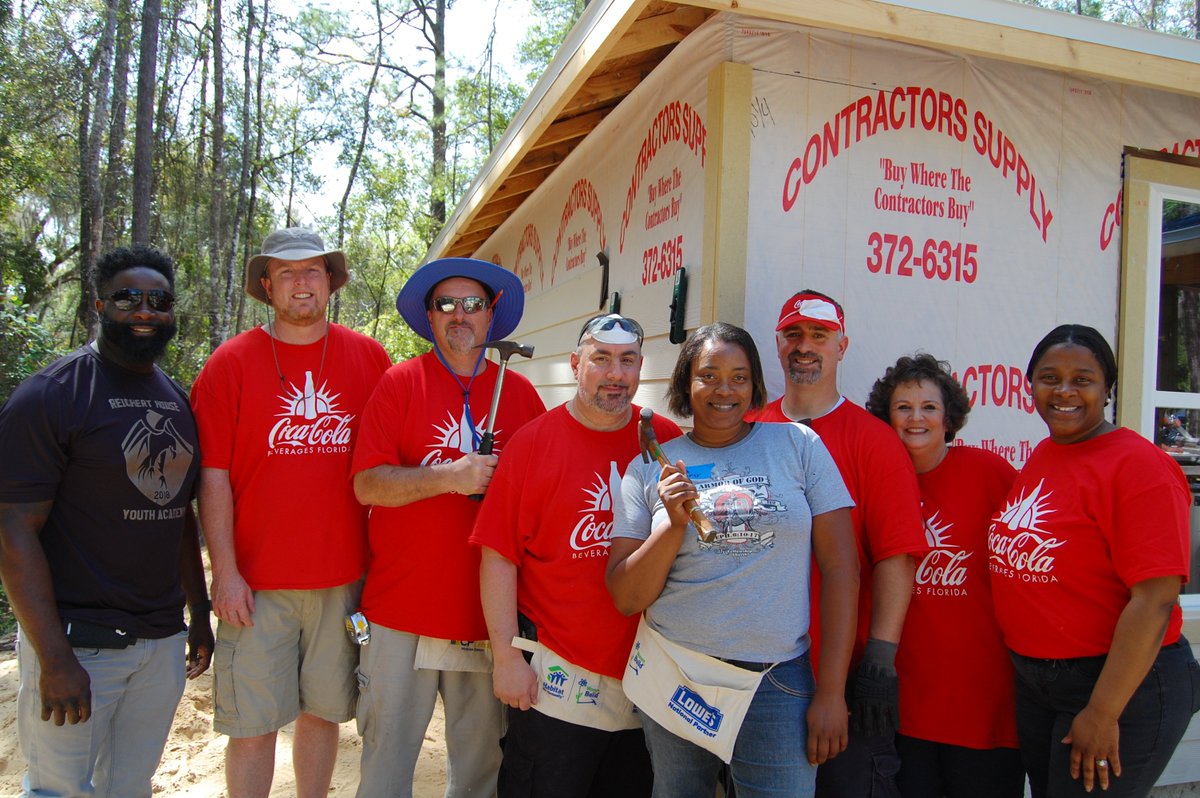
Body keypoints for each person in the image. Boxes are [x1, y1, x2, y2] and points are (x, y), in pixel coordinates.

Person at [608, 322, 860, 797]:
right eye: (709, 375)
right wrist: (672, 524)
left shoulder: (798, 446)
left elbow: (842, 569)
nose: (724, 389)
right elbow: (626, 596)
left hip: (776, 683)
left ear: (755, 384)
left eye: (739, 377)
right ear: (686, 383)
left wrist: (831, 690)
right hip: (676, 673)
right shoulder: (648, 467)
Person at [0, 244, 212, 797]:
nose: (145, 311)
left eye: (158, 300)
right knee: (58, 789)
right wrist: (53, 657)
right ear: (100, 305)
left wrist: (199, 609)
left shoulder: (176, 399)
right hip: (80, 644)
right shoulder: (53, 395)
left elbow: (178, 513)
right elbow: (12, 528)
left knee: (130, 786)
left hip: (160, 644)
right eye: (128, 298)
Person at [190, 227, 391, 798]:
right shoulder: (231, 363)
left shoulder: (369, 358)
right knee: (252, 726)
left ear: (330, 282)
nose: (301, 283)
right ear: (266, 285)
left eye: (312, 271)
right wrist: (223, 574)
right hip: (255, 583)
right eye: (286, 272)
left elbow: (385, 468)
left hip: (343, 578)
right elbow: (214, 477)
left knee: (324, 713)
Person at [350, 257, 546, 798]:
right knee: (385, 764)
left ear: (491, 316)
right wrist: (449, 477)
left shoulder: (522, 396)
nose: (460, 315)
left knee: (481, 770)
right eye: (447, 305)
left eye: (473, 304)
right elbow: (367, 484)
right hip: (399, 615)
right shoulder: (399, 384)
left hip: (484, 623)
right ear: (430, 318)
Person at [471, 313, 681, 797]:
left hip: (643, 686)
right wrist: (505, 657)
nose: (615, 373)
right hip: (556, 687)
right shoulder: (531, 444)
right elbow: (498, 556)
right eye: (601, 359)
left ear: (640, 367)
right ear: (574, 364)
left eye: (627, 360)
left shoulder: (666, 441)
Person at [990, 324, 1200, 798]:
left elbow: (1155, 600)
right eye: (1049, 377)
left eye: (1082, 379)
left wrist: (1104, 711)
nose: (1064, 391)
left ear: (1107, 389)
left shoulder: (1139, 466)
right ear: (1030, 386)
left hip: (1118, 686)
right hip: (1039, 683)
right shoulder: (1047, 453)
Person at [746, 290, 926, 798]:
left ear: (842, 346)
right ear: (778, 345)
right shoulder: (748, 429)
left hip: (841, 676)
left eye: (819, 336)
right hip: (757, 676)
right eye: (794, 334)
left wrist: (879, 661)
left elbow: (896, 557)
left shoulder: (873, 440)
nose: (805, 346)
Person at [864, 353, 1024, 798]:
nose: (916, 418)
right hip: (905, 703)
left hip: (984, 701)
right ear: (886, 417)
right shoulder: (872, 480)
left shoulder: (989, 472)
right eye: (903, 407)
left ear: (949, 417)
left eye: (929, 407)